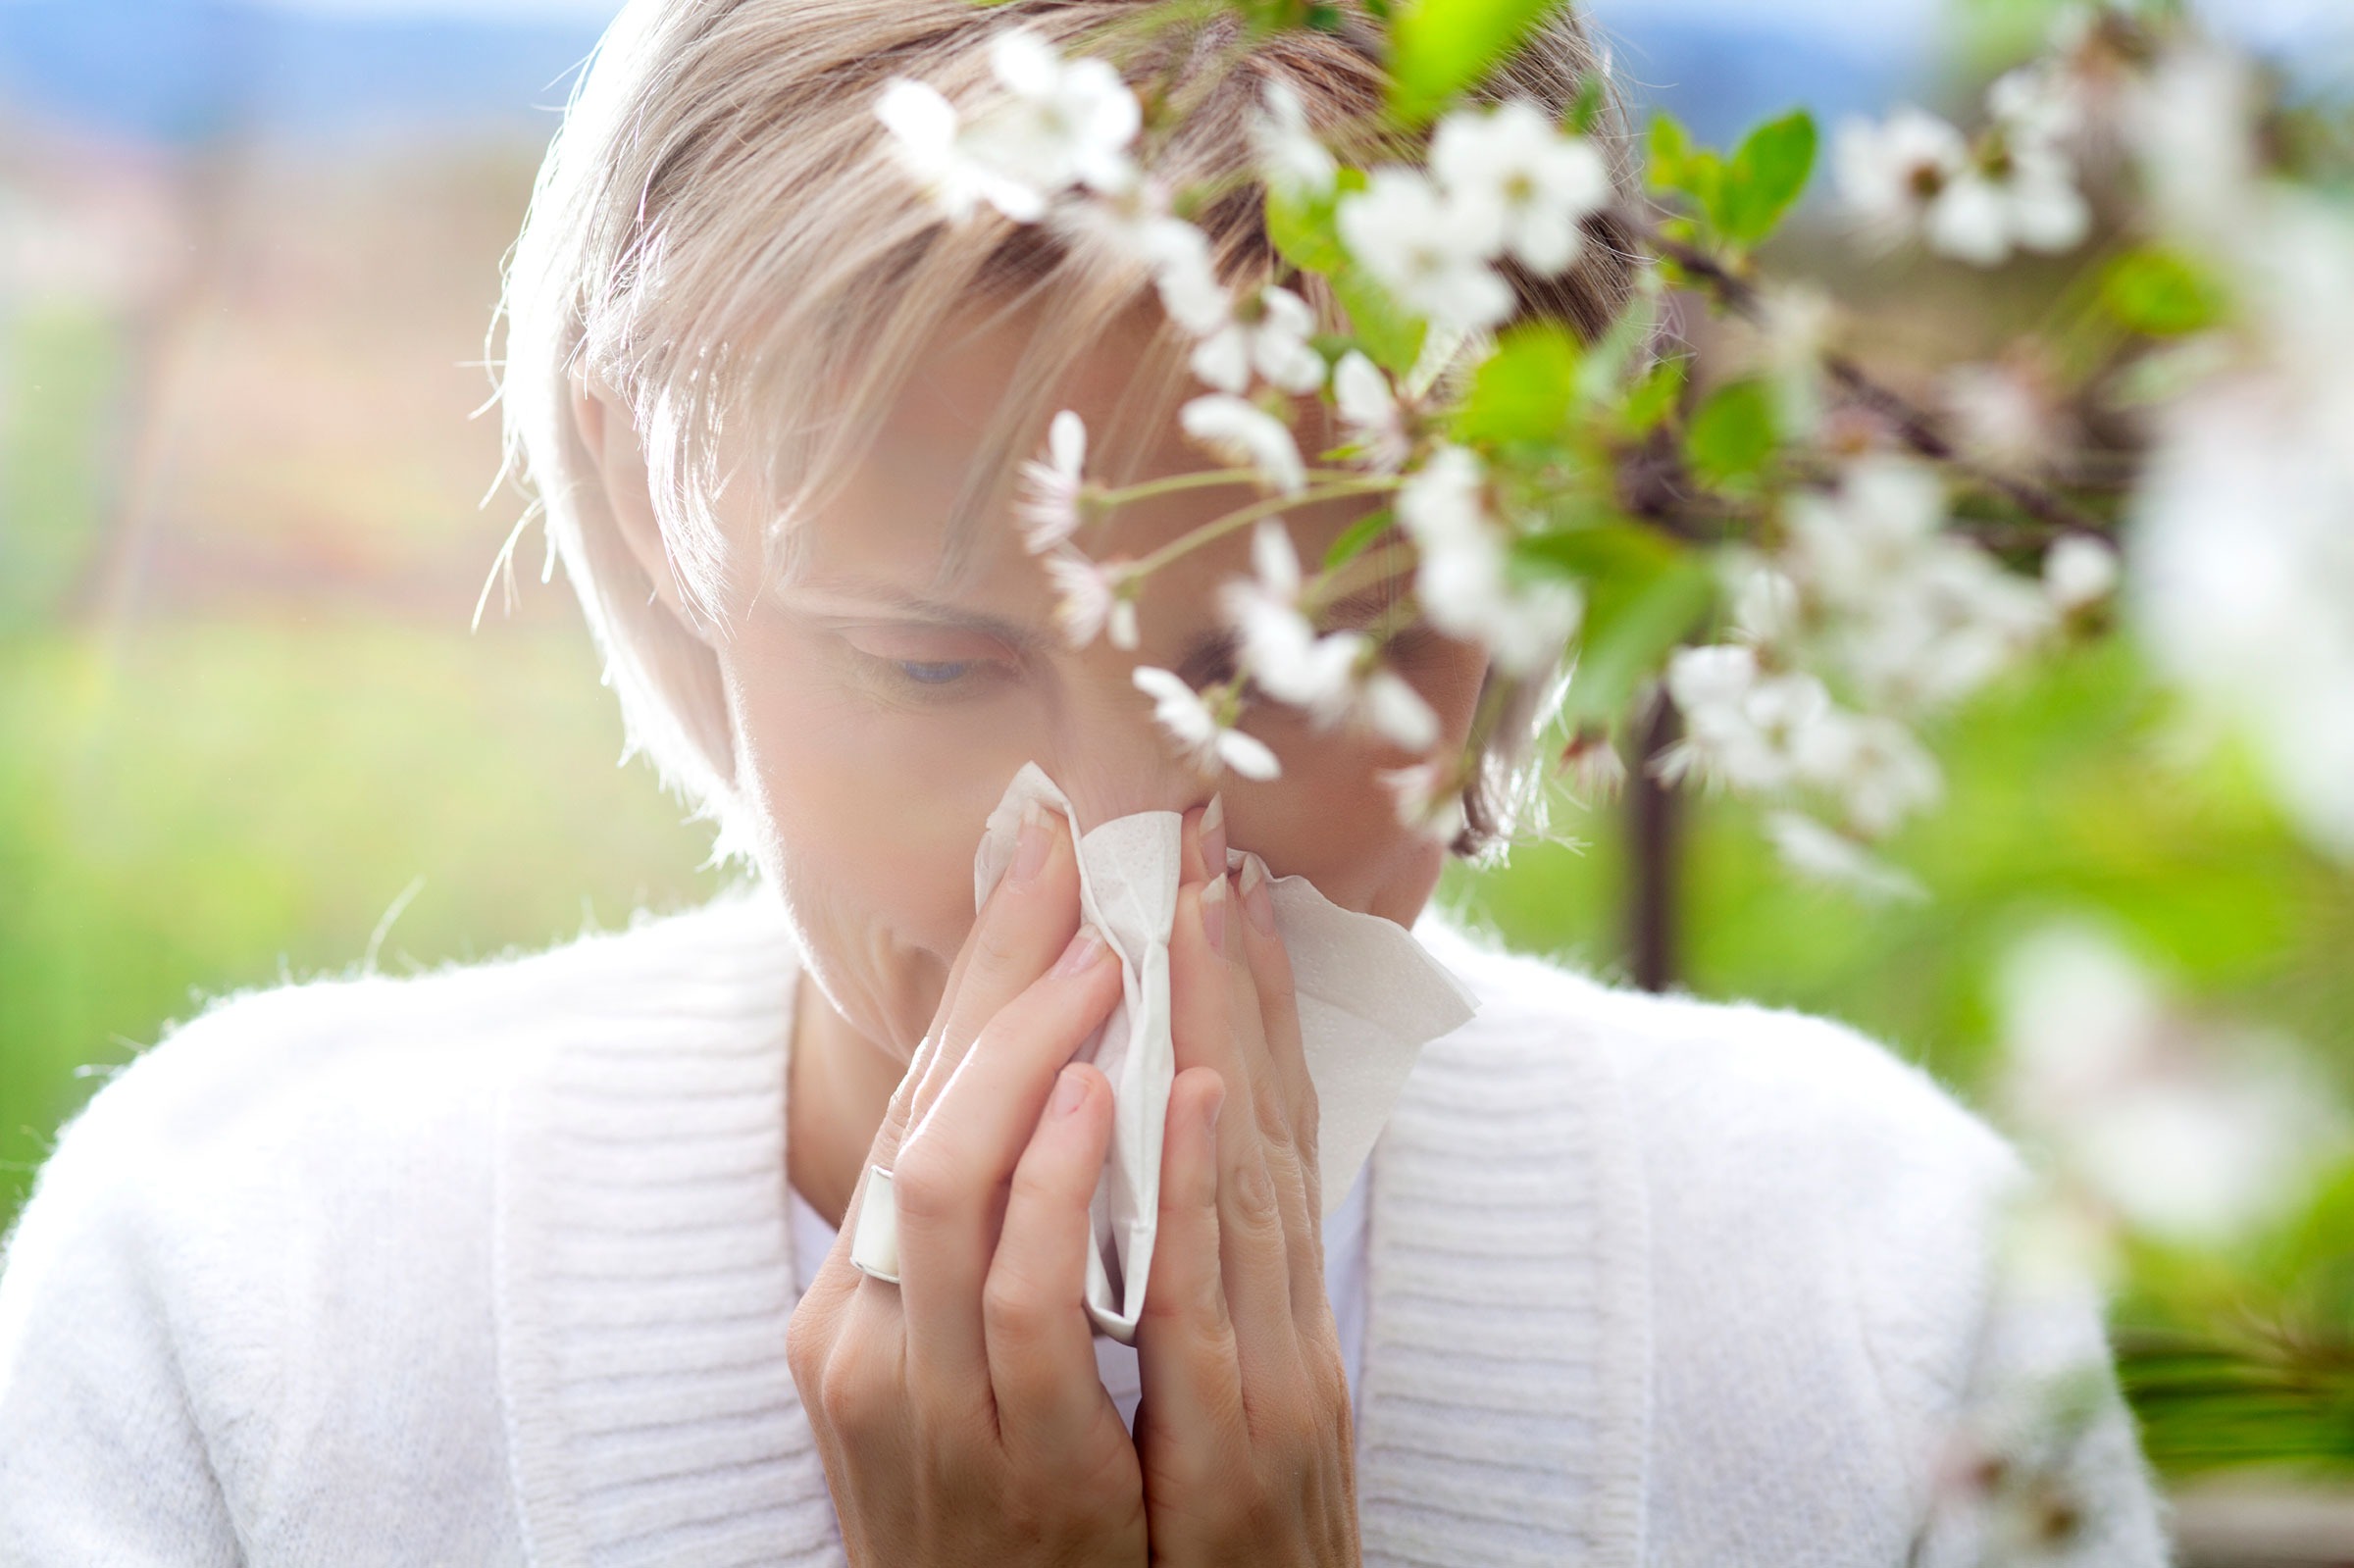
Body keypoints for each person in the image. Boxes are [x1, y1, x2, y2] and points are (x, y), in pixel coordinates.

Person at [0, 1, 2167, 1562]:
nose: (1137, 854)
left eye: (1294, 665)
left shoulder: (1878, 1290)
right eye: (930, 660)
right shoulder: (245, 1283)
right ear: (669, 524)